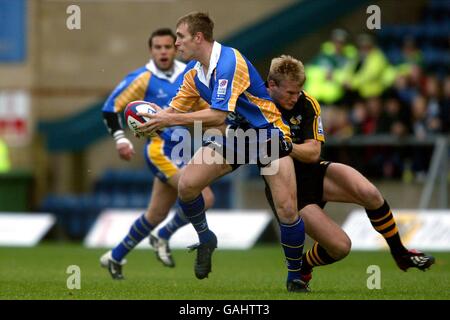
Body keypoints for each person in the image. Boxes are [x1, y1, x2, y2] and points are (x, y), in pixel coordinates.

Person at [138, 12, 308, 292]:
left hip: (268, 134)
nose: (176, 42)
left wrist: (168, 120)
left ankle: (295, 277)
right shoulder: (193, 74)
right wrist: (152, 119)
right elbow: (174, 109)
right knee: (188, 185)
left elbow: (217, 116)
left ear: (198, 37)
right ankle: (206, 238)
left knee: (287, 209)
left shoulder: (229, 61)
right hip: (237, 136)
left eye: (180, 37)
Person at [263, 55, 435, 289]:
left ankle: (400, 253)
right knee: (340, 247)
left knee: (370, 193)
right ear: (271, 85)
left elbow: (313, 153)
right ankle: (302, 266)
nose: (296, 97)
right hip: (289, 190)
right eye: (290, 93)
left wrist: (288, 146)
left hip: (314, 172)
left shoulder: (307, 103)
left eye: (298, 91)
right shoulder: (255, 105)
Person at [100, 28, 215, 279]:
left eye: (167, 47)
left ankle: (115, 256)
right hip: (160, 150)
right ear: (151, 50)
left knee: (156, 213)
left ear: (175, 49)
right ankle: (163, 236)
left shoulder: (189, 74)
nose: (163, 51)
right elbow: (110, 108)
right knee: (204, 197)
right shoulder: (141, 78)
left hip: (183, 150)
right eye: (158, 47)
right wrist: (120, 139)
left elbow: (207, 108)